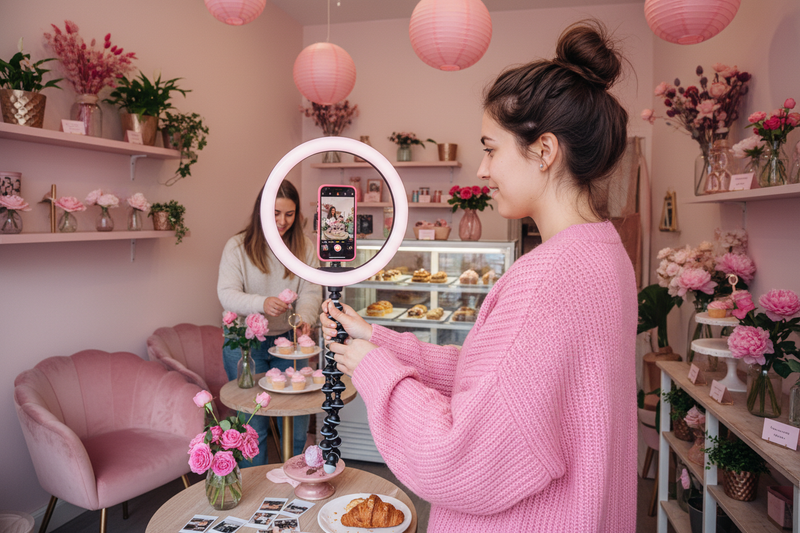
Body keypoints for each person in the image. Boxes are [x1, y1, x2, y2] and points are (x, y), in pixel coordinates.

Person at [320, 21, 637, 532]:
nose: (483, 170)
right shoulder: (604, 254)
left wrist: (372, 369)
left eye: (491, 148)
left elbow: (460, 457)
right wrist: (377, 338)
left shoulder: (548, 277)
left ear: (544, 150)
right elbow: (496, 380)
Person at [218, 180, 322, 466]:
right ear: (261, 211)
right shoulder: (237, 247)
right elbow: (226, 294)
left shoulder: (303, 247)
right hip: (244, 345)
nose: (282, 222)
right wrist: (261, 303)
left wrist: (305, 320)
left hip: (288, 343)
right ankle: (259, 500)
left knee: (297, 421)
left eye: (289, 214)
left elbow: (312, 290)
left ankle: (299, 485)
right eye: (275, 213)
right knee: (254, 428)